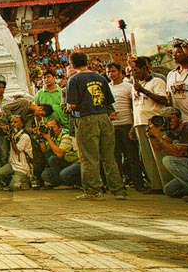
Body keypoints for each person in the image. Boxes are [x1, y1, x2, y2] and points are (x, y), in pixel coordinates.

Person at [66, 51, 126, 200]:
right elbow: (108, 101)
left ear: (72, 65)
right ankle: (118, 190)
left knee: (89, 157)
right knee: (109, 157)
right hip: (104, 118)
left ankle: (93, 190)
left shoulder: (74, 80)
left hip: (86, 119)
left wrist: (68, 107)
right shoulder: (100, 78)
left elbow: (72, 105)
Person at [130, 55, 170, 193]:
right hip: (139, 123)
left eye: (136, 70)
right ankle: (156, 185)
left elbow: (164, 100)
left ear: (145, 68)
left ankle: (167, 184)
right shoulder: (134, 86)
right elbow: (135, 107)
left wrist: (143, 90)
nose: (134, 73)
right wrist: (133, 126)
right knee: (147, 156)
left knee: (159, 155)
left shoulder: (157, 82)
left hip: (154, 123)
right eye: (131, 71)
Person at [147, 107, 188, 198]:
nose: (169, 122)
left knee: (169, 160)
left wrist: (159, 138)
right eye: (165, 119)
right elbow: (157, 150)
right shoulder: (171, 132)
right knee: (170, 190)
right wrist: (153, 136)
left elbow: (178, 153)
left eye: (170, 118)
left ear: (179, 119)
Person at [107, 62, 143, 190]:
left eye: (113, 71)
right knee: (115, 157)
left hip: (127, 125)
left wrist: (133, 125)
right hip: (111, 127)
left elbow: (134, 106)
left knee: (132, 156)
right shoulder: (106, 88)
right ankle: (119, 184)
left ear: (120, 72)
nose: (111, 74)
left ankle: (138, 183)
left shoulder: (128, 87)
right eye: (109, 72)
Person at [37, 119, 81, 188]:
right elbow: (44, 149)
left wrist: (49, 139)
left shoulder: (66, 136)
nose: (51, 130)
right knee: (45, 175)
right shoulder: (54, 136)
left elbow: (60, 154)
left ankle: (70, 183)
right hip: (67, 161)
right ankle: (61, 182)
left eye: (53, 127)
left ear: (59, 127)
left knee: (64, 174)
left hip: (77, 162)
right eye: (49, 128)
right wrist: (41, 138)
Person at [0, 115, 33, 191]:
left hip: (22, 167)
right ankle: (14, 179)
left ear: (22, 124)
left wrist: (11, 139)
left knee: (13, 187)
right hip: (13, 164)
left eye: (15, 122)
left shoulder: (24, 136)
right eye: (11, 122)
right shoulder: (14, 134)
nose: (13, 124)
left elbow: (17, 151)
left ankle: (25, 180)